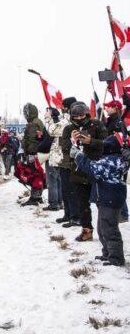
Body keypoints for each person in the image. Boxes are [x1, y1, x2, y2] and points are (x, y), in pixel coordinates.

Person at [72, 134, 128, 266]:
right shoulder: (118, 159)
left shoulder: (111, 162)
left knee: (109, 229)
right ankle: (107, 253)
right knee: (102, 228)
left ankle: (116, 258)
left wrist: (78, 155)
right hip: (106, 198)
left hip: (110, 199)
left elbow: (91, 168)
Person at [62, 101, 107, 241]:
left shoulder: (97, 125)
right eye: (76, 116)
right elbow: (64, 149)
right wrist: (73, 141)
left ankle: (105, 230)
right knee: (82, 203)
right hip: (78, 171)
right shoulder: (68, 129)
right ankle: (86, 230)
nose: (80, 118)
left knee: (101, 202)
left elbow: (107, 144)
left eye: (82, 115)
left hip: (96, 168)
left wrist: (91, 141)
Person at [103, 100, 129, 223]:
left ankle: (123, 213)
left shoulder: (119, 121)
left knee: (118, 184)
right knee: (115, 185)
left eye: (109, 107)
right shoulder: (111, 120)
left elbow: (120, 139)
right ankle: (121, 212)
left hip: (118, 156)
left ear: (115, 108)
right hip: (112, 155)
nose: (107, 109)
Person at [57, 97, 78, 225]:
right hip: (64, 161)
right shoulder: (66, 121)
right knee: (65, 190)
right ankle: (68, 214)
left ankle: (75, 216)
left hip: (73, 162)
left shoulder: (71, 122)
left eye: (64, 107)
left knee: (73, 191)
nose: (62, 109)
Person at [21, 103, 45, 206]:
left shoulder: (33, 124)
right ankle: (37, 196)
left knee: (34, 174)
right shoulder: (37, 122)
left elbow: (32, 140)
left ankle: (35, 197)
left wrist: (30, 153)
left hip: (33, 153)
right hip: (36, 153)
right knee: (37, 174)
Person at [43, 107, 64, 211]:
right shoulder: (61, 123)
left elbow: (49, 136)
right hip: (59, 155)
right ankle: (60, 202)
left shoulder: (52, 124)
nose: (45, 113)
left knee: (52, 180)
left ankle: (54, 203)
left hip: (52, 155)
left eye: (47, 111)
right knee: (58, 180)